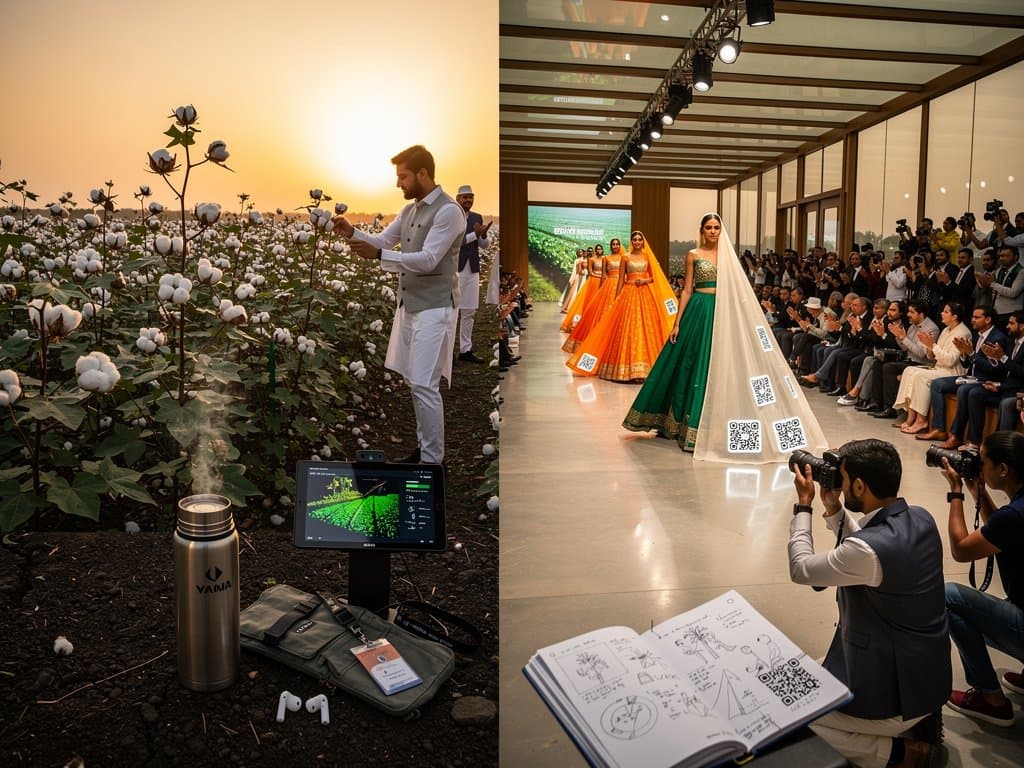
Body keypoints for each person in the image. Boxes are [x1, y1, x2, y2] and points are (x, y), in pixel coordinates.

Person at [790, 439, 951, 768]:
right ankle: (917, 722)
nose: (837, 481)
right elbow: (866, 551)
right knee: (799, 674)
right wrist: (835, 508)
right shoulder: (921, 519)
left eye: (843, 478)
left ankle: (902, 755)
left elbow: (802, 569)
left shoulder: (868, 551)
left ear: (860, 485)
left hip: (894, 690)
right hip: (926, 677)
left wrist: (804, 505)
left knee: (791, 715)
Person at [623, 214, 827, 461]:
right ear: (701, 230)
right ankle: (678, 423)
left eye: (716, 228)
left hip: (723, 312)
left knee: (721, 365)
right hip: (698, 309)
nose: (712, 231)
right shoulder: (693, 254)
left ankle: (712, 426)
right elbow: (687, 289)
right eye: (708, 227)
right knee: (689, 363)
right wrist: (677, 322)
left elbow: (740, 291)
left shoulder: (728, 257)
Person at [332, 145, 463, 465]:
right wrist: (352, 232)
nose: (398, 184)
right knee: (414, 382)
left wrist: (378, 256)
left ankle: (433, 462)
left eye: (403, 177)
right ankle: (425, 449)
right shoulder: (409, 211)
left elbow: (430, 259)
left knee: (424, 384)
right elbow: (382, 241)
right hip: (411, 306)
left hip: (436, 307)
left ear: (422, 174)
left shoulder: (448, 211)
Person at [941, 431, 1024, 728]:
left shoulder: (1014, 517)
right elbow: (1002, 530)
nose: (979, 465)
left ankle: (991, 700)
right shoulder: (1016, 513)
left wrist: (956, 493)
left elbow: (962, 550)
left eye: (983, 460)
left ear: (1003, 469)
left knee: (947, 597)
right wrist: (979, 492)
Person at [565, 231, 676, 381]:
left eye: (639, 240)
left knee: (645, 327)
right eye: (634, 239)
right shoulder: (626, 257)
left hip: (644, 295)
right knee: (627, 327)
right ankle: (623, 369)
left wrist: (643, 281)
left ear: (643, 242)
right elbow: (620, 281)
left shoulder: (647, 257)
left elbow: (653, 278)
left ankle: (647, 369)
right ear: (631, 242)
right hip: (628, 293)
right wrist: (617, 298)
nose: (637, 242)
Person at [895, 302, 972, 435]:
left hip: (952, 373)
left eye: (946, 312)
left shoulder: (963, 333)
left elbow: (950, 361)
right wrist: (928, 346)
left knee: (920, 377)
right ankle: (911, 417)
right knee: (909, 370)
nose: (942, 313)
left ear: (955, 316)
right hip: (939, 368)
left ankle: (921, 420)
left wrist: (933, 346)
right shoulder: (946, 329)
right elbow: (932, 357)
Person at [562, 238, 623, 354]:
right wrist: (601, 288)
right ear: (610, 246)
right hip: (604, 284)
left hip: (618, 285)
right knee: (602, 311)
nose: (615, 246)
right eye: (613, 244)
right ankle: (599, 337)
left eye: (617, 244)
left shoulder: (623, 258)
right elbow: (599, 274)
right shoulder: (605, 259)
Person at [454, 184, 490, 364]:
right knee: (451, 312)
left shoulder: (477, 217)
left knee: (468, 310)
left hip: (472, 268)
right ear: (457, 199)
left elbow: (484, 245)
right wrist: (474, 235)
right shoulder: (451, 216)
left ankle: (465, 350)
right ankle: (446, 353)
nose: (468, 200)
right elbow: (453, 242)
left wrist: (482, 235)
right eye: (465, 197)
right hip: (454, 269)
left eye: (471, 197)